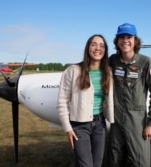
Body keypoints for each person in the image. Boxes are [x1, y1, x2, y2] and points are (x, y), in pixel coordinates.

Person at [107, 23, 151, 167]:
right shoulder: (113, 61)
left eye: (129, 37)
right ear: (117, 41)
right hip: (116, 121)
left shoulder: (145, 63)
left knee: (139, 160)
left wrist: (150, 123)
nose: (125, 40)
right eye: (121, 37)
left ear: (135, 40)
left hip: (137, 121)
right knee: (114, 158)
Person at [58, 34, 114, 167]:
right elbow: (62, 101)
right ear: (88, 47)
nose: (97, 48)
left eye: (101, 46)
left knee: (97, 164)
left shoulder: (108, 72)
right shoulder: (72, 70)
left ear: (105, 50)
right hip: (79, 126)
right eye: (93, 44)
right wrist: (67, 128)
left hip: (100, 124)